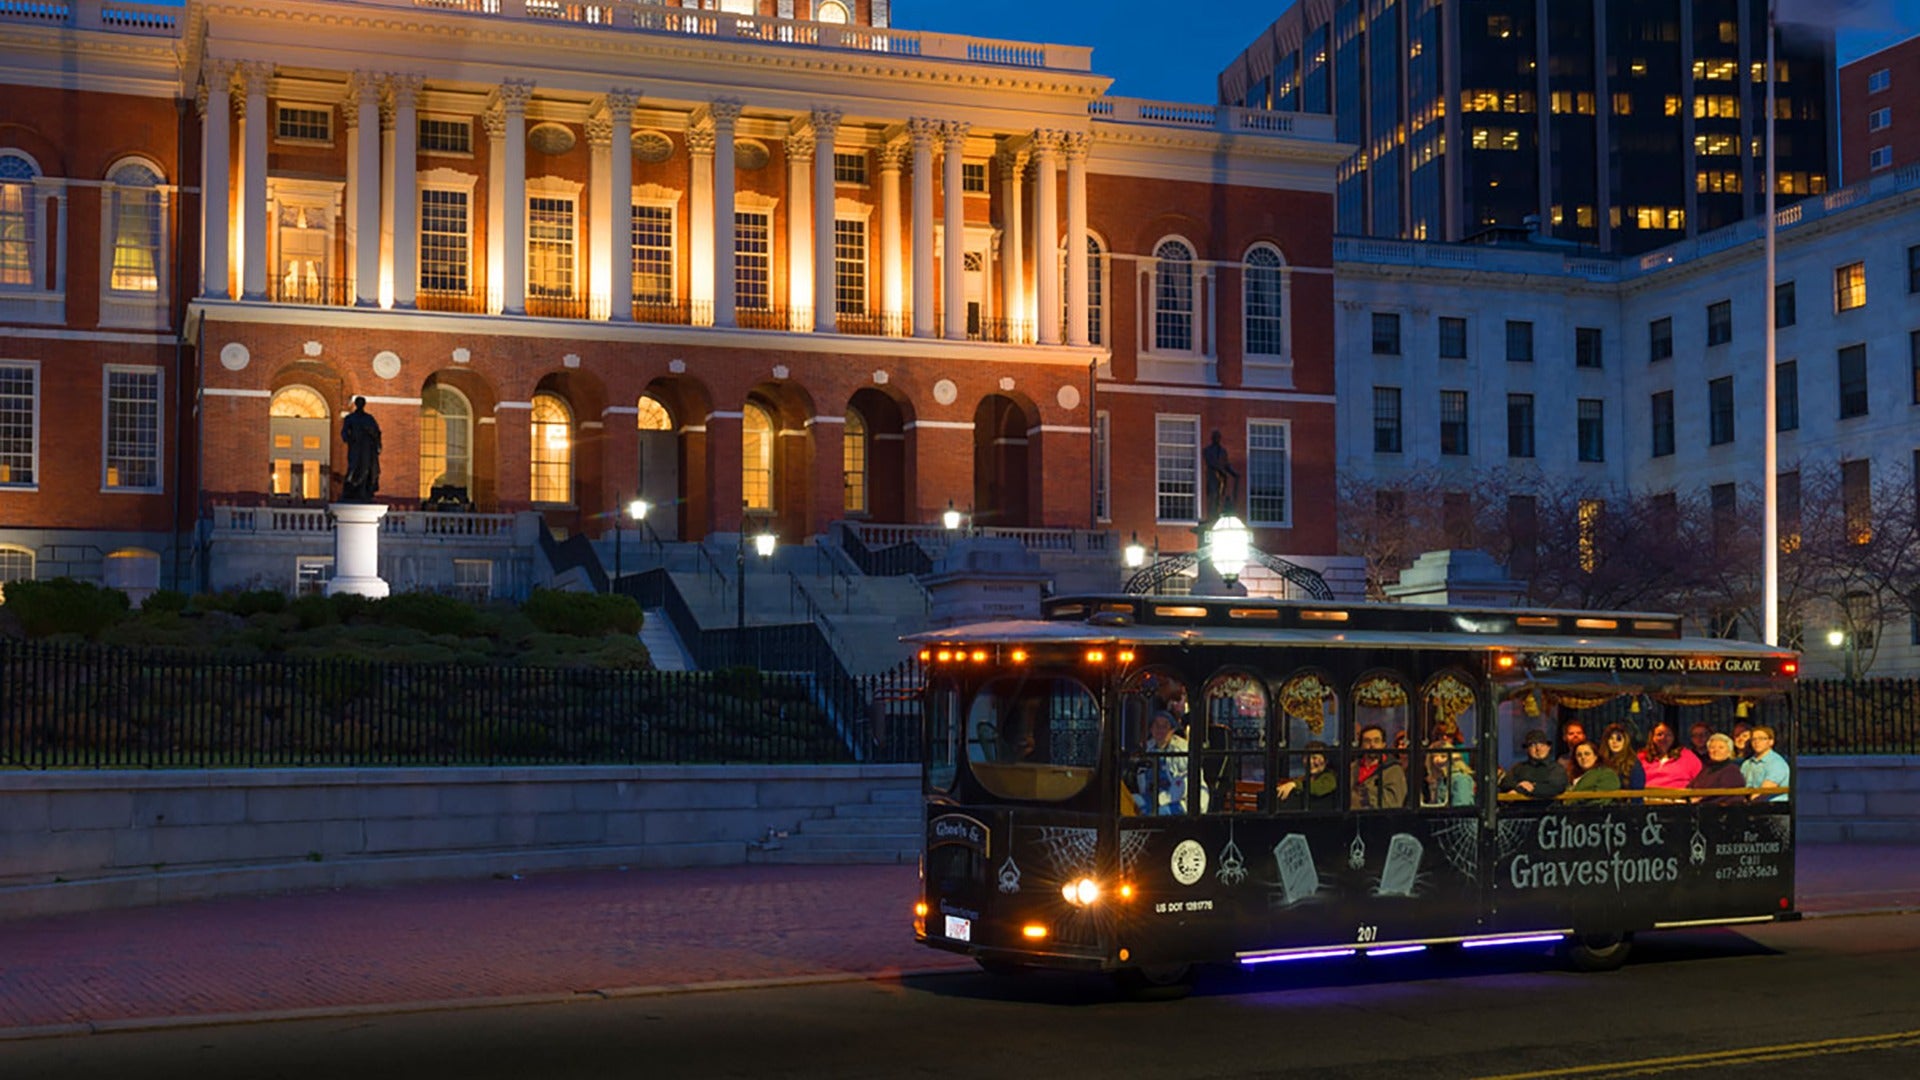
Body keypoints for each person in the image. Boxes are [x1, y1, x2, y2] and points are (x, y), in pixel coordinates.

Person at [1131, 712, 1192, 815]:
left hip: (1179, 801)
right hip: (1153, 797)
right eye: (1156, 725)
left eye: (1165, 726)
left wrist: (1159, 800)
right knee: (1129, 802)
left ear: (1172, 730)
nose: (1160, 729)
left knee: (1156, 814)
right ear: (1151, 729)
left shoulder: (1181, 750)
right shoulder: (1147, 748)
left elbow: (1182, 787)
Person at [1499, 729, 1569, 800]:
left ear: (1548, 748)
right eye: (1533, 745)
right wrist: (1519, 786)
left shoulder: (1556, 768)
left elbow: (1555, 788)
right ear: (1527, 749)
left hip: (1548, 809)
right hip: (1521, 809)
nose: (1538, 748)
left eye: (1542, 744)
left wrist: (1530, 788)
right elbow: (1505, 783)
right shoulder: (1519, 767)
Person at [1639, 720, 1701, 799]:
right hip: (1647, 799)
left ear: (1674, 737)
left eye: (1668, 735)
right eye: (1659, 734)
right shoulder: (1642, 756)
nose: (1663, 738)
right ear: (1652, 737)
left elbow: (1701, 781)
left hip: (1678, 800)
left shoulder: (1687, 756)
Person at [1351, 724, 1407, 809]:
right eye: (1367, 741)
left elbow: (1394, 802)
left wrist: (1364, 793)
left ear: (1383, 744)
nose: (1372, 745)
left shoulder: (1393, 770)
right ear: (1361, 745)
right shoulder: (1353, 768)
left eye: (1376, 741)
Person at [340, 396, 382, 502]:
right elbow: (344, 433)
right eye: (359, 403)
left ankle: (364, 491)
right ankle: (350, 489)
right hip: (355, 447)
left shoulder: (369, 418)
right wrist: (350, 438)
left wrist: (376, 442)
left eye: (362, 403)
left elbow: (377, 432)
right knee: (353, 467)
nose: (360, 405)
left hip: (367, 448)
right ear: (356, 404)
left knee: (366, 469)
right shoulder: (350, 418)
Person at [1276, 741, 1338, 811]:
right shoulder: (1305, 778)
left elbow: (1317, 788)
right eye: (1306, 758)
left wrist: (1295, 785)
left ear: (1326, 760)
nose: (1310, 762)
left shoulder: (1330, 778)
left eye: (1315, 758)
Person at [1690, 733, 1747, 805]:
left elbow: (1725, 793)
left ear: (1729, 751)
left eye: (1721, 747)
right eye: (1712, 747)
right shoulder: (1706, 769)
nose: (1716, 750)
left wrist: (1699, 800)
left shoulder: (1732, 770)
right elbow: (1692, 786)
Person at [1740, 725, 1791, 802]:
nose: (1757, 742)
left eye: (1761, 738)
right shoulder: (1746, 764)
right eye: (1754, 739)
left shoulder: (1777, 763)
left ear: (1771, 742)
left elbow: (1764, 792)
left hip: (1774, 807)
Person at [1422, 736, 1475, 808]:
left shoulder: (1460, 779)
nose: (1438, 760)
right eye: (1434, 756)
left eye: (1443, 756)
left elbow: (1461, 808)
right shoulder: (1441, 780)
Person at [1201, 429, 1239, 521]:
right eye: (1215, 437)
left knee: (1219, 497)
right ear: (1212, 438)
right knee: (1212, 497)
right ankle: (1211, 518)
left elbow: (1226, 464)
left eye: (1218, 437)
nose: (1217, 439)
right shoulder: (1207, 450)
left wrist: (1234, 473)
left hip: (1222, 478)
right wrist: (1220, 470)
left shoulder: (1223, 451)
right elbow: (1211, 463)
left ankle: (1217, 516)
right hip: (1212, 477)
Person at [1600, 723, 1646, 791]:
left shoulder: (1633, 764)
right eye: (1611, 738)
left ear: (1625, 741)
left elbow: (1637, 794)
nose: (1614, 742)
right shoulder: (1601, 762)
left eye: (1619, 738)